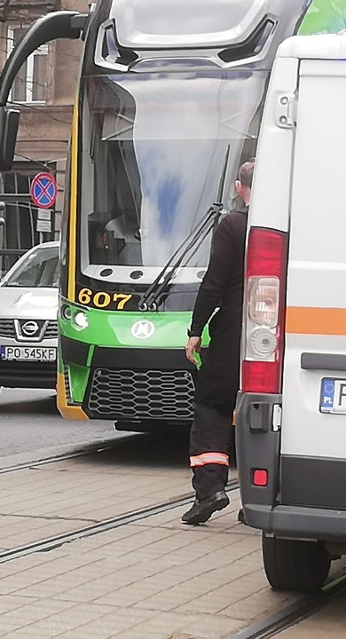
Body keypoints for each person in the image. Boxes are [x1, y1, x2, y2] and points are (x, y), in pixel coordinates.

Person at [181, 157, 254, 525]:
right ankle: (259, 497)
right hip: (279, 337)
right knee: (262, 411)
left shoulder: (233, 226)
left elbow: (213, 285)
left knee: (212, 405)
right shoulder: (290, 225)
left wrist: (195, 331)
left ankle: (210, 489)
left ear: (240, 189)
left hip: (232, 337)